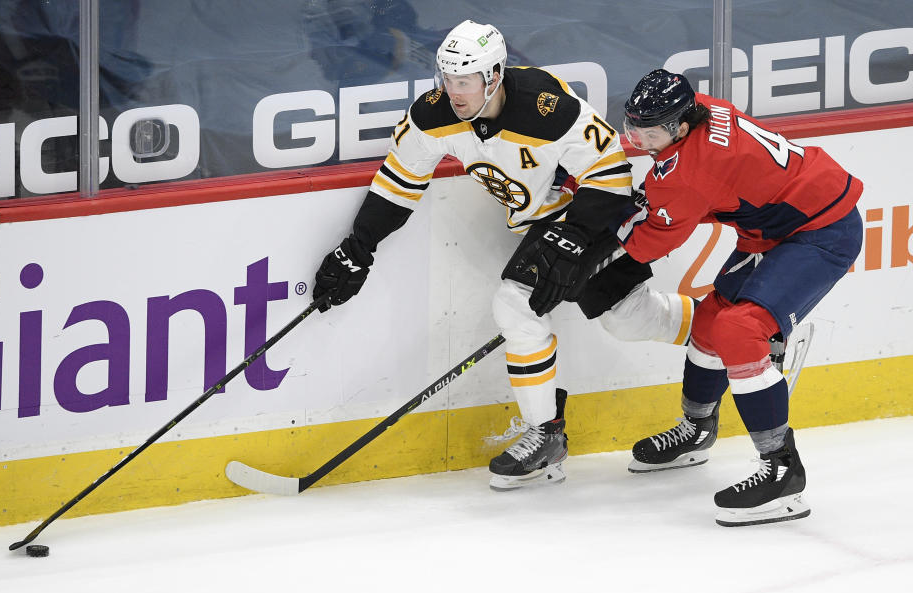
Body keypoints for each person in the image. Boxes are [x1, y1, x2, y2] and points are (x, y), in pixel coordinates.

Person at [312, 20, 696, 491]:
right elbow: (398, 184)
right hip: (544, 223)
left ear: (493, 75)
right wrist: (359, 247)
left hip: (589, 213)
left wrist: (573, 238)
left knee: (518, 302)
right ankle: (718, 331)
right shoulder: (432, 117)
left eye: (465, 80)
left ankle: (547, 436)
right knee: (627, 317)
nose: (454, 91)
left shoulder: (545, 108)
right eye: (447, 78)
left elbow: (610, 173)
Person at [619, 69, 863, 525]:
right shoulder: (702, 110)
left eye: (649, 132)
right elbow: (715, 192)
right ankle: (697, 429)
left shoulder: (688, 171)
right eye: (635, 125)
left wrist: (612, 231)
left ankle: (782, 472)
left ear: (680, 126)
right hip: (778, 224)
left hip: (821, 232)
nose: (638, 138)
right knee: (712, 321)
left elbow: (650, 241)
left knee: (740, 328)